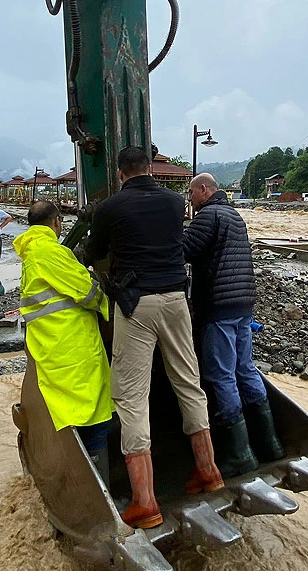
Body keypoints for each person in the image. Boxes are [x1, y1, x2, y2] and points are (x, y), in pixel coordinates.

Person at [86, 146, 223, 529]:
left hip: (137, 304)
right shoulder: (175, 203)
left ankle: (145, 502)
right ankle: (208, 471)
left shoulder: (110, 207)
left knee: (131, 397)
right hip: (177, 300)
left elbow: (94, 252)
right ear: (149, 168)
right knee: (189, 384)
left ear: (119, 173)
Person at [183, 173, 283, 478]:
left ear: (203, 190)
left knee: (221, 375)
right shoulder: (234, 215)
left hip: (219, 306)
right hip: (243, 305)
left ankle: (240, 454)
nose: (190, 200)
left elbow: (183, 250)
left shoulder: (208, 216)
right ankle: (270, 444)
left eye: (191, 194)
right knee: (246, 369)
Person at [13, 201, 114, 480]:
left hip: (51, 347)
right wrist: (107, 301)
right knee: (94, 421)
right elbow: (87, 291)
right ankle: (98, 488)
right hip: (74, 348)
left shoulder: (31, 253)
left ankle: (75, 481)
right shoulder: (52, 252)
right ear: (57, 222)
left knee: (71, 419)